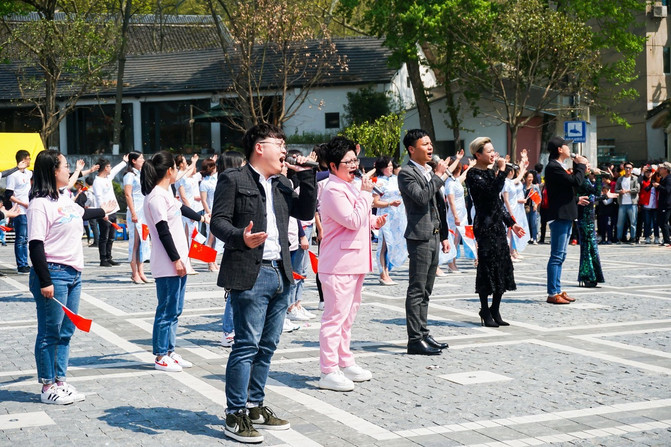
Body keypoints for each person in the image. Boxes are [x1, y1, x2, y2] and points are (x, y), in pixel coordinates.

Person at [210, 123, 317, 443]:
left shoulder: (283, 182)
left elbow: (305, 211)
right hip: (250, 272)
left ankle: (255, 405)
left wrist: (307, 175)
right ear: (259, 147)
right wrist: (240, 237)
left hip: (281, 272)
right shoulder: (234, 178)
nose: (284, 150)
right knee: (246, 345)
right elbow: (218, 222)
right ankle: (235, 413)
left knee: (268, 344)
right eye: (279, 144)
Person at [27, 150, 113, 405]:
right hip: (53, 273)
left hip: (74, 273)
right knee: (49, 332)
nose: (69, 170)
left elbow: (80, 213)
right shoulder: (39, 204)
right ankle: (47, 386)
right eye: (65, 166)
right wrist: (45, 281)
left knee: (66, 331)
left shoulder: (63, 197)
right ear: (53, 171)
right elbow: (35, 245)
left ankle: (60, 381)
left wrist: (103, 210)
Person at [317, 137, 387, 392]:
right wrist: (366, 195)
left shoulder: (350, 186)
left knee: (348, 318)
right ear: (333, 166)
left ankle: (344, 361)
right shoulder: (333, 190)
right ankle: (328, 370)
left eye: (355, 160)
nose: (354, 165)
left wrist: (374, 222)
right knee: (334, 319)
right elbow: (351, 220)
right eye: (348, 162)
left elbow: (359, 218)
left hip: (355, 262)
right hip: (338, 264)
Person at [141, 151, 208, 373]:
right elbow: (163, 231)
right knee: (166, 310)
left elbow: (182, 209)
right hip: (168, 263)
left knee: (175, 310)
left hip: (179, 261)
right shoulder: (156, 197)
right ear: (169, 170)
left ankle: (170, 351)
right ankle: (161, 355)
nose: (178, 172)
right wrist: (176, 259)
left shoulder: (166, 193)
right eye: (176, 168)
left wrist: (202, 217)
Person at [398, 129, 451, 356]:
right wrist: (438, 177)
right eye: (425, 144)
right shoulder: (406, 173)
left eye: (430, 143)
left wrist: (445, 235)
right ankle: (414, 339)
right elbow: (420, 198)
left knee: (427, 290)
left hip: (434, 234)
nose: (430, 148)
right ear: (412, 149)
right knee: (417, 289)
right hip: (419, 237)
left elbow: (439, 206)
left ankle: (424, 332)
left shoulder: (429, 170)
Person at [465, 137, 526, 327]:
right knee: (487, 267)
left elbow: (498, 203)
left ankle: (495, 309)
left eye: (493, 151)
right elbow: (490, 193)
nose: (493, 154)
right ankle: (485, 309)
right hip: (484, 226)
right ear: (478, 154)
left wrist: (512, 223)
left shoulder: (491, 173)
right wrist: (502, 171)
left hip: (498, 226)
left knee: (502, 265)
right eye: (489, 151)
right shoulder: (473, 175)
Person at [544, 137, 589, 305]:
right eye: (566, 146)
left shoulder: (559, 166)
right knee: (556, 255)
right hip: (559, 216)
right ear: (559, 149)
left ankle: (557, 289)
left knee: (561, 255)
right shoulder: (553, 167)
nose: (569, 149)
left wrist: (576, 199)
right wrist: (581, 165)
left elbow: (563, 190)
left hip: (565, 213)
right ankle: (552, 293)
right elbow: (576, 181)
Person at [215, 151, 247, 347]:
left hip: (242, 241)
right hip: (235, 241)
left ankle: (235, 328)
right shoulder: (227, 185)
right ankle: (228, 330)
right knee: (234, 291)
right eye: (242, 163)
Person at [576, 169, 618, 287]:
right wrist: (599, 177)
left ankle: (591, 276)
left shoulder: (586, 180)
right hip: (584, 219)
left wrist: (605, 196)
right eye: (587, 166)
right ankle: (587, 276)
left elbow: (592, 198)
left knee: (591, 248)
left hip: (588, 218)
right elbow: (596, 192)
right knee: (588, 248)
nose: (590, 168)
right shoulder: (582, 180)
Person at [372, 155, 406, 285]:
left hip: (398, 216)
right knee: (384, 245)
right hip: (385, 217)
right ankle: (383, 273)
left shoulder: (396, 179)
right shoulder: (379, 182)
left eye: (392, 165)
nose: (391, 168)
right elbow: (375, 202)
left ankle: (388, 271)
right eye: (388, 166)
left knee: (394, 243)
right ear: (382, 168)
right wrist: (389, 203)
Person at [92, 155, 127, 267]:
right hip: (104, 212)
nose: (111, 168)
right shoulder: (97, 181)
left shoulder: (108, 178)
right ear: (105, 168)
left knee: (111, 236)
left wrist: (124, 162)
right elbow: (99, 198)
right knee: (104, 236)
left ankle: (109, 257)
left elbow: (116, 170)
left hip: (113, 210)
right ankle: (103, 259)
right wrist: (104, 213)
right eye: (109, 166)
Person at [123, 152, 151, 284]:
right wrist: (133, 212)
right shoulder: (129, 175)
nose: (143, 160)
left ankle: (141, 271)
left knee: (143, 242)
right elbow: (128, 194)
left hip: (143, 212)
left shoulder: (141, 174)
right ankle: (134, 273)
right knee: (134, 243)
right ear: (134, 161)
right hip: (135, 212)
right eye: (141, 158)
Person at [6, 150, 32, 273]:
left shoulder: (28, 173)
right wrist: (22, 203)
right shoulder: (13, 175)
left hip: (28, 210)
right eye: (28, 158)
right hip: (19, 210)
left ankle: (25, 262)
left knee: (26, 238)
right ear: (23, 160)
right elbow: (9, 195)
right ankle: (21, 265)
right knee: (21, 238)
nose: (30, 161)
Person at [198, 157, 219, 272]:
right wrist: (209, 212)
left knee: (214, 238)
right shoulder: (204, 183)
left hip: (217, 210)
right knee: (210, 238)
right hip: (210, 212)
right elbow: (204, 200)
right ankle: (210, 263)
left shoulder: (215, 179)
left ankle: (213, 260)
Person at [615, 162, 640, 244]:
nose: (628, 169)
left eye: (629, 168)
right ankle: (619, 238)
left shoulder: (635, 178)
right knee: (620, 223)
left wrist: (628, 191)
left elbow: (637, 189)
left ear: (632, 169)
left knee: (633, 222)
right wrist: (620, 191)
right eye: (626, 167)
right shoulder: (620, 179)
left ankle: (633, 238)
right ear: (624, 168)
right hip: (622, 203)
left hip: (632, 203)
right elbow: (616, 189)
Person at [523, 171, 541, 244]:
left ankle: (534, 238)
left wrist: (536, 205)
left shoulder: (535, 187)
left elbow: (539, 197)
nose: (530, 179)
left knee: (534, 223)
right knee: (526, 223)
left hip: (533, 207)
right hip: (524, 208)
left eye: (532, 177)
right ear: (525, 178)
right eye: (529, 177)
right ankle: (526, 238)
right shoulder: (522, 187)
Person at [655, 162, 671, 246]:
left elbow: (667, 190)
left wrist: (658, 186)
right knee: (661, 222)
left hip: (667, 204)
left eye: (661, 168)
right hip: (662, 203)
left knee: (664, 222)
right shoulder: (662, 179)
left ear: (666, 170)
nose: (660, 169)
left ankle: (667, 240)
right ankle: (666, 239)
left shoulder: (669, 179)